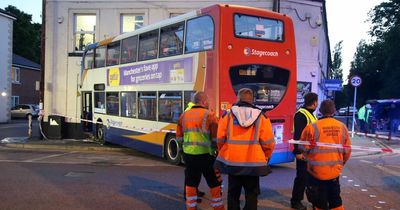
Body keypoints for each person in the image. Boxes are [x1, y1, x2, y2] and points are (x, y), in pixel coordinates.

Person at [214, 88, 275, 210]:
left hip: (232, 161)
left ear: (238, 98)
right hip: (254, 164)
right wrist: (266, 157)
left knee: (233, 194)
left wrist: (225, 153)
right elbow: (268, 143)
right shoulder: (261, 117)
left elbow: (220, 139)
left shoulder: (227, 115)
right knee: (252, 195)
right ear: (252, 100)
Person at [299, 99, 351, 210]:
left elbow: (303, 147)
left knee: (319, 201)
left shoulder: (312, 127)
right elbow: (347, 150)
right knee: (335, 200)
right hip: (334, 171)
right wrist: (341, 164)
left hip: (316, 171)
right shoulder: (342, 127)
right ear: (334, 111)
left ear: (320, 110)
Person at [176, 92, 224, 210]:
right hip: (206, 155)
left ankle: (191, 207)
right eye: (207, 100)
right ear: (204, 102)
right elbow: (215, 138)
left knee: (191, 182)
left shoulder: (184, 115)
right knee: (214, 182)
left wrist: (184, 149)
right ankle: (218, 207)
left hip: (189, 155)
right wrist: (217, 151)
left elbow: (179, 138)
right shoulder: (210, 115)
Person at [291, 92, 318, 210]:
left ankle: (313, 201)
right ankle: (296, 201)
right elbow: (298, 135)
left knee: (309, 178)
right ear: (314, 102)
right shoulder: (301, 115)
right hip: (303, 153)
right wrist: (297, 152)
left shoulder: (310, 114)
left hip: (310, 153)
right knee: (301, 177)